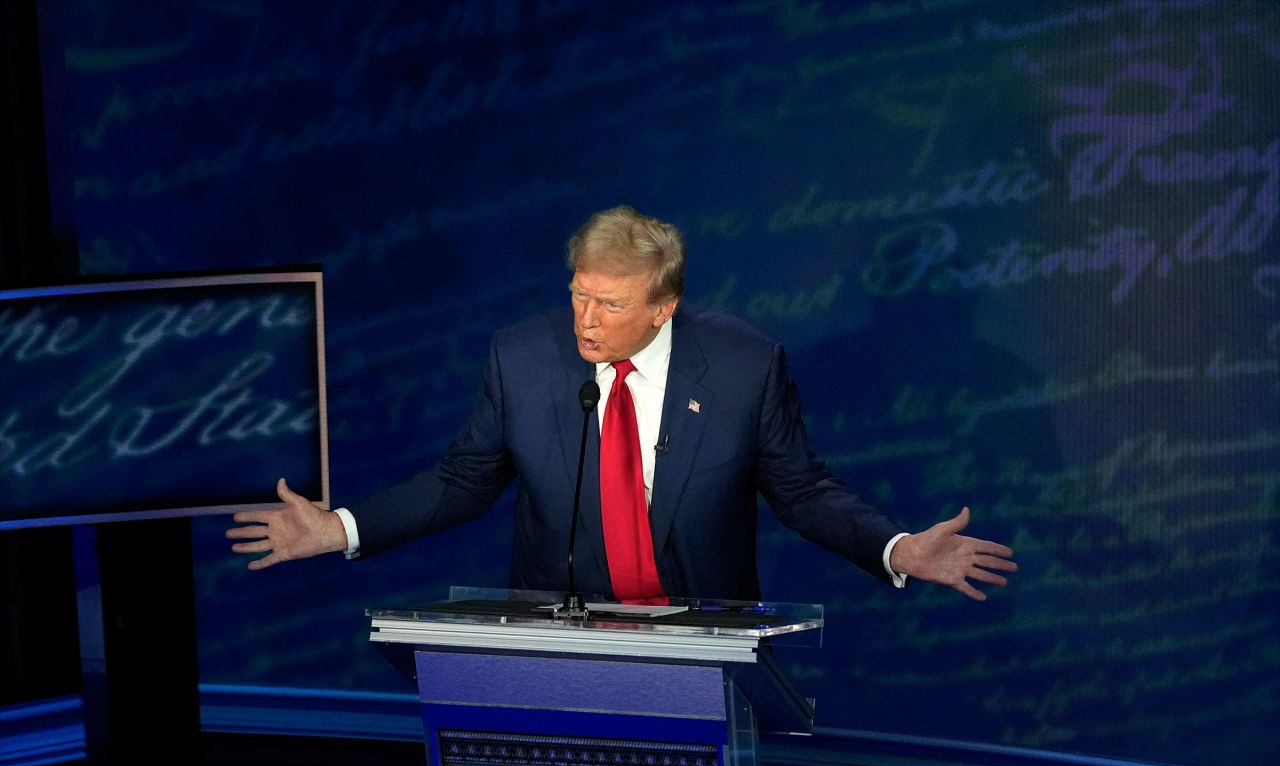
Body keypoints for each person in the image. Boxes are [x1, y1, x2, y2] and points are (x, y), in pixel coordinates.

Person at [227, 206, 1016, 602]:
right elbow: (463, 480)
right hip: (554, 633)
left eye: (608, 304)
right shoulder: (523, 357)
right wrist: (342, 527)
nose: (585, 321)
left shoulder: (744, 366)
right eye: (577, 296)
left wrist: (896, 548)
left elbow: (803, 492)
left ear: (663, 307)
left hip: (696, 637)